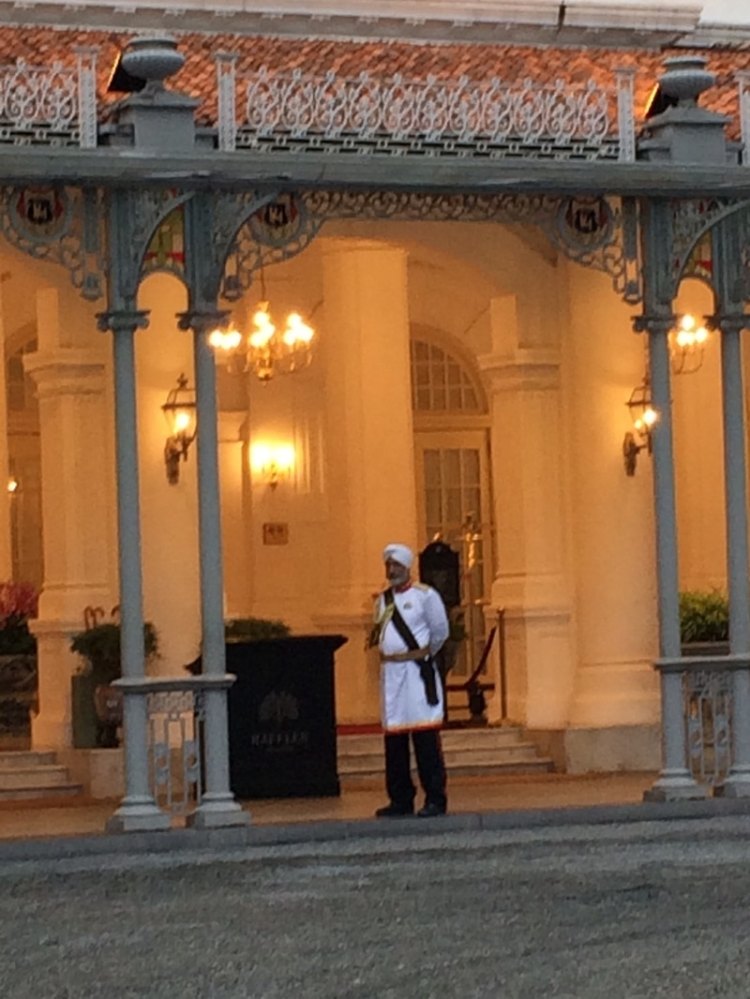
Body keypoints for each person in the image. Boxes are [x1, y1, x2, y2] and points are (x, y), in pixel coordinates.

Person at [372, 542, 450, 818]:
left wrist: (420, 656)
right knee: (394, 742)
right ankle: (400, 798)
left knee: (425, 737)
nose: (392, 570)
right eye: (388, 565)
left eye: (396, 565)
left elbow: (440, 631)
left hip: (416, 674)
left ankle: (435, 798)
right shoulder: (383, 601)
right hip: (392, 676)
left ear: (407, 568)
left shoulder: (425, 596)